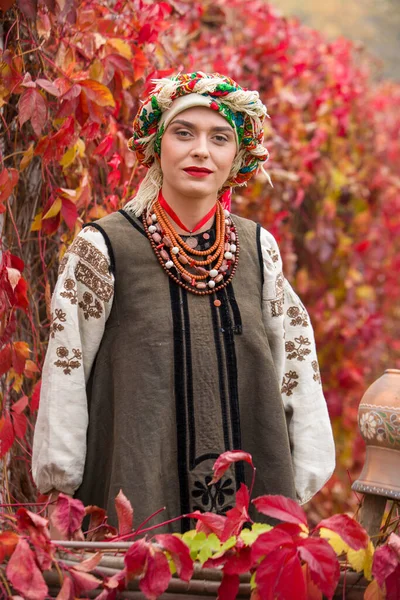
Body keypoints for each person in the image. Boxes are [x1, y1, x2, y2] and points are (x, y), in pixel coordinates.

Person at [32, 72, 335, 533]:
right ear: (156, 146)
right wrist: (61, 484)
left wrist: (300, 478)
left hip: (250, 520)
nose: (201, 150)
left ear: (237, 158)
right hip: (134, 511)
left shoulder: (258, 250)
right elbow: (66, 376)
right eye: (183, 133)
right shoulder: (103, 248)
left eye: (219, 138)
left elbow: (295, 372)